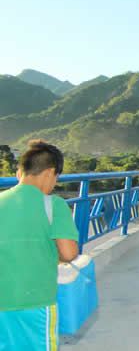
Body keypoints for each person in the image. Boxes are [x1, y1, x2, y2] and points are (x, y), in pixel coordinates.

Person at [0, 140, 79, 350]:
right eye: (56, 178)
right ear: (50, 172)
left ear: (20, 172)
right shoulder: (54, 205)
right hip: (36, 302)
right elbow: (69, 253)